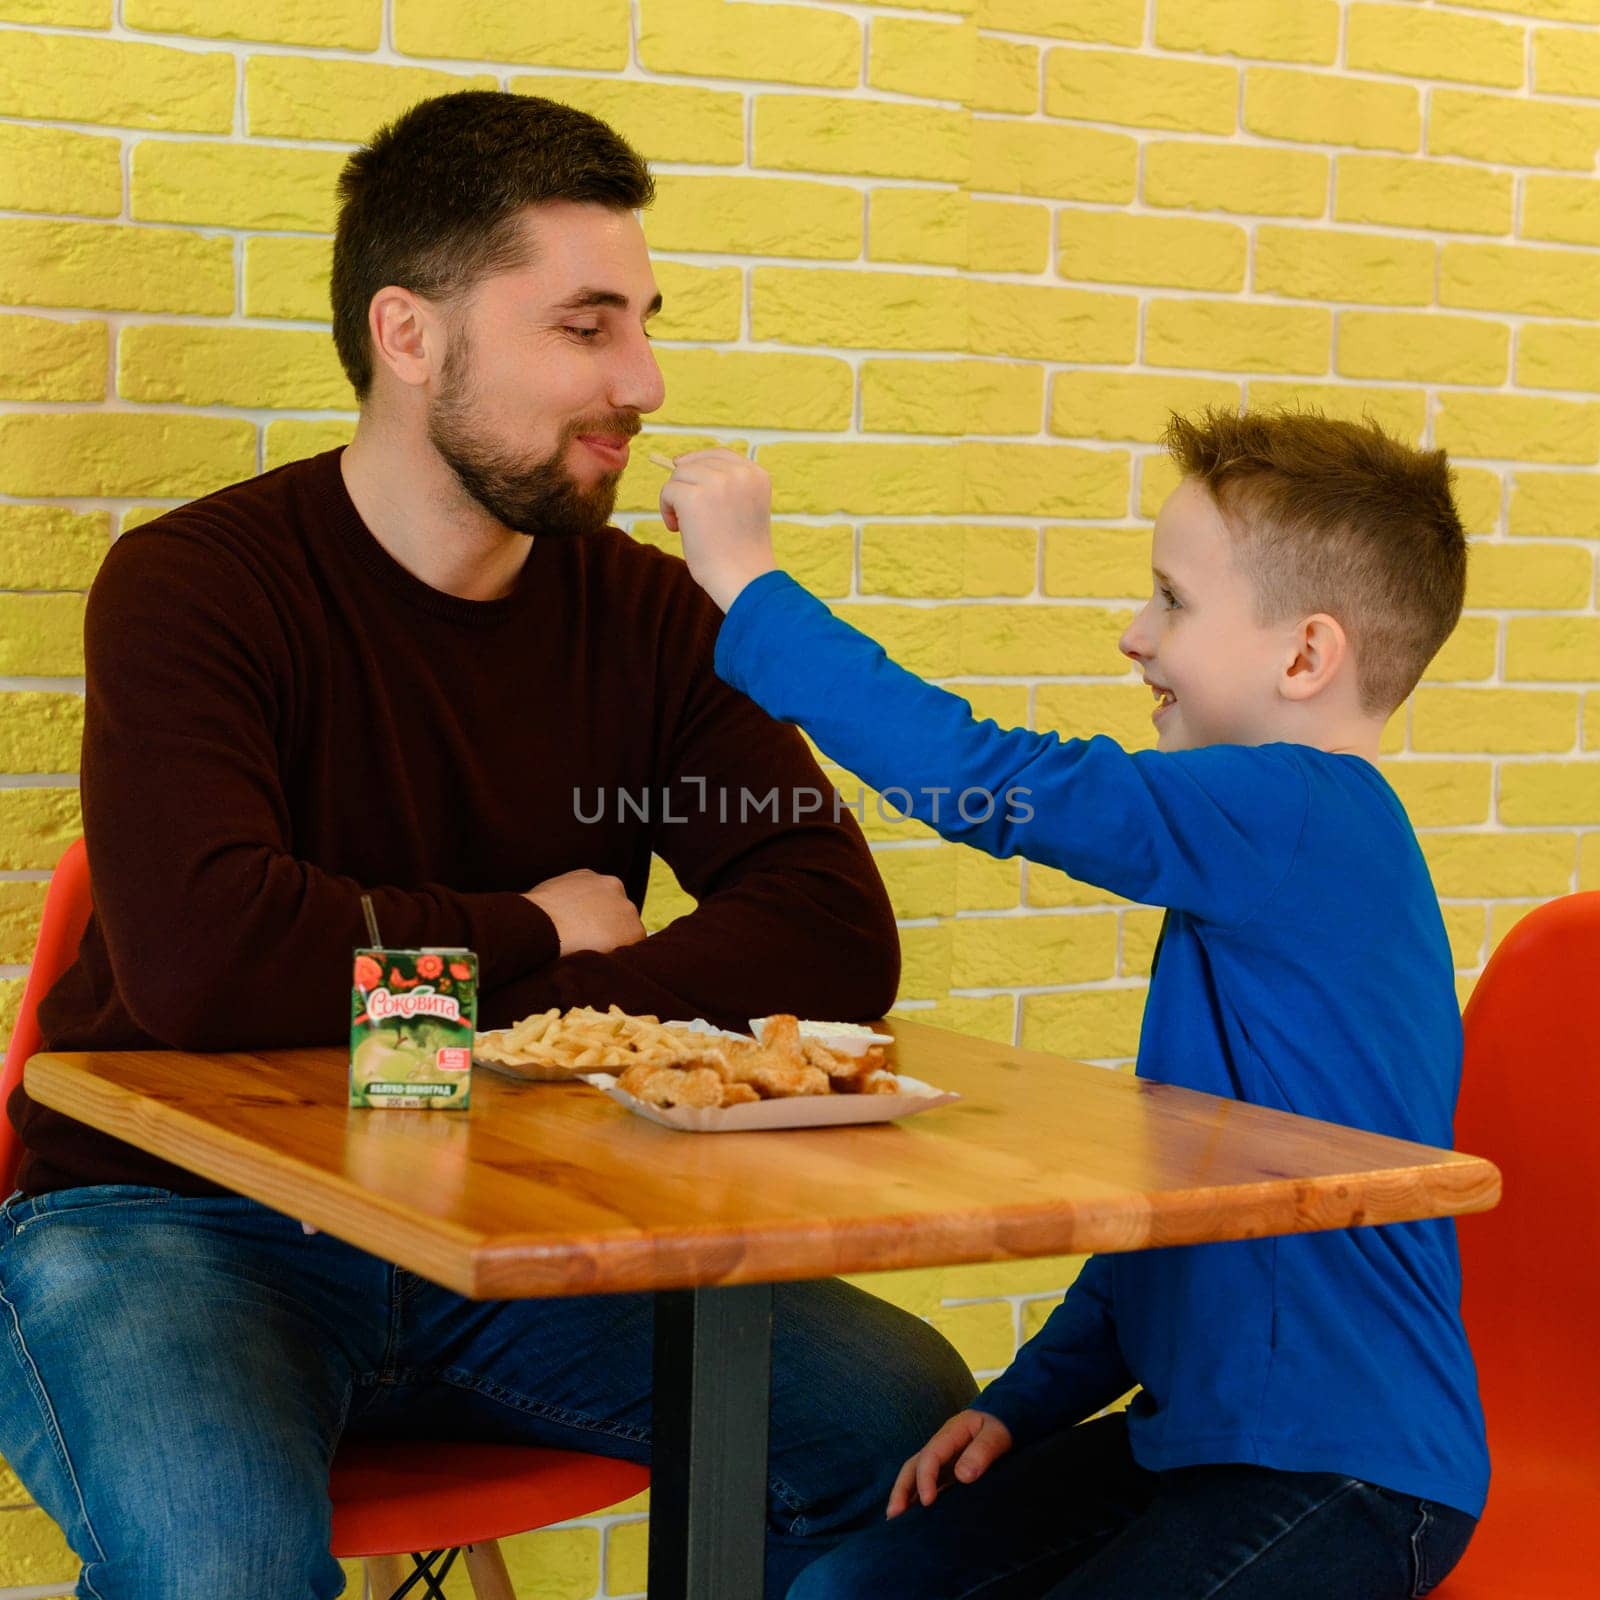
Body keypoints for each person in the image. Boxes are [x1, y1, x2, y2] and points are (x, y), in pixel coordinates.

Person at [0, 91, 974, 1600]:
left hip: (521, 1227)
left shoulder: (649, 619)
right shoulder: (196, 586)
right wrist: (536, 928)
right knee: (218, 1568)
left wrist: (539, 1015)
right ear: (410, 336)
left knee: (906, 1422)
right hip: (174, 1225)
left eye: (645, 322)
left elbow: (832, 929)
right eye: (586, 328)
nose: (642, 381)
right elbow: (206, 960)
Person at [662, 409, 1488, 1599]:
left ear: (1306, 657)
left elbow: (992, 781)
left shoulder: (1305, 815)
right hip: (1187, 1445)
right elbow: (1182, 1221)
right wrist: (1023, 1403)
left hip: (1346, 1475)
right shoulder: (1256, 859)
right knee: (844, 1587)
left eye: (1172, 601)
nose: (1132, 636)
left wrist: (746, 584)